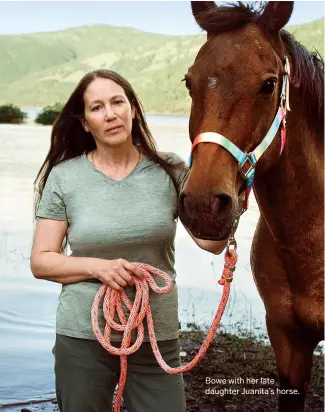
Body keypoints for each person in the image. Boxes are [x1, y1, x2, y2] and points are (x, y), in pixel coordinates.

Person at [30, 69, 228, 412]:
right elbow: (42, 260)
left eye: (117, 102)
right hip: (82, 335)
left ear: (133, 109)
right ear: (84, 123)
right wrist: (99, 268)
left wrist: (235, 197)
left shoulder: (170, 170)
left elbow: (211, 243)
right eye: (97, 107)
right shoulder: (65, 177)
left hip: (157, 334)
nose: (110, 114)